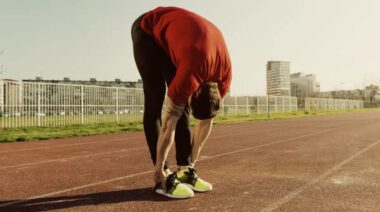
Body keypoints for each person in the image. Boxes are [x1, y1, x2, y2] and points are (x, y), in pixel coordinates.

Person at [131, 6, 232, 199]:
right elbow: (169, 124)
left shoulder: (224, 78)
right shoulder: (190, 75)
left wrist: (191, 162)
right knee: (156, 96)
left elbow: (206, 121)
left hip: (183, 41)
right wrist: (159, 166)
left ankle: (185, 169)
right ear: (194, 91)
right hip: (147, 30)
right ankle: (164, 175)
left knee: (181, 105)